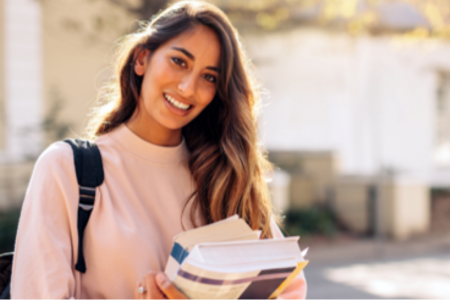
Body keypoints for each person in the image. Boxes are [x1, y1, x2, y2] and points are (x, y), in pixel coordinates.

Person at [11, 1, 307, 298]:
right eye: (179, 61)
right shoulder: (68, 170)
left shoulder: (224, 177)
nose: (188, 88)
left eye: (209, 77)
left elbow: (289, 290)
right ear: (142, 59)